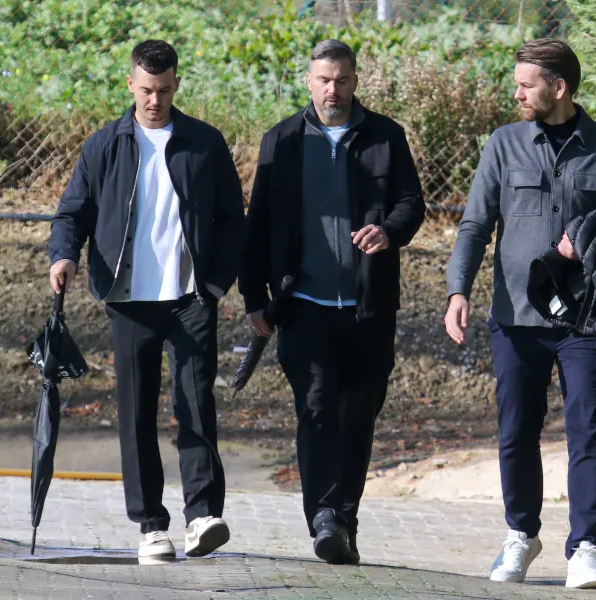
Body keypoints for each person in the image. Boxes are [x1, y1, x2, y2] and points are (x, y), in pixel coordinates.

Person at [444, 38, 596, 587]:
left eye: (526, 84)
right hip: (516, 316)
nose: (517, 92)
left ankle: (584, 548)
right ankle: (521, 535)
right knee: (516, 431)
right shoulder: (504, 145)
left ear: (557, 88)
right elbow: (474, 224)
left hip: (587, 319)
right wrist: (457, 290)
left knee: (587, 432)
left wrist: (590, 244)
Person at [47, 39, 246, 560]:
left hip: (190, 297)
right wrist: (63, 256)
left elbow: (232, 221)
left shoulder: (205, 143)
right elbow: (73, 213)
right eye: (144, 90)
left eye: (162, 89)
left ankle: (202, 515)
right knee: (136, 413)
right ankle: (150, 526)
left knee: (196, 403)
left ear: (177, 83)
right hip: (129, 298)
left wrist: (217, 284)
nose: (153, 100)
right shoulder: (103, 145)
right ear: (130, 85)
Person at [239, 39, 425, 565]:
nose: (332, 90)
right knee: (317, 407)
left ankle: (345, 518)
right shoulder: (283, 141)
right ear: (308, 81)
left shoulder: (385, 137)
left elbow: (412, 203)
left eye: (341, 80)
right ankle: (324, 518)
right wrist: (255, 296)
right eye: (323, 80)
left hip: (369, 307)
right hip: (304, 304)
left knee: (358, 414)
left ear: (355, 81)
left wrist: (389, 231)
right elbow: (258, 228)